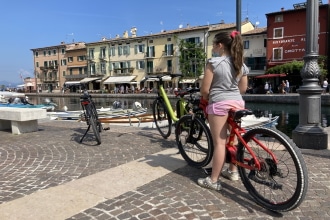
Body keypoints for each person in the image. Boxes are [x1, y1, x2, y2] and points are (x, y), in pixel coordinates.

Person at [198, 31, 248, 191]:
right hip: (238, 103)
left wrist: (212, 94)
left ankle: (213, 180)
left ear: (220, 45)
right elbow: (243, 89)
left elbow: (205, 90)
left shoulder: (213, 63)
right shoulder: (240, 64)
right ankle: (233, 171)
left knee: (220, 143)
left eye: (213, 44)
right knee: (232, 140)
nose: (212, 47)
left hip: (219, 103)